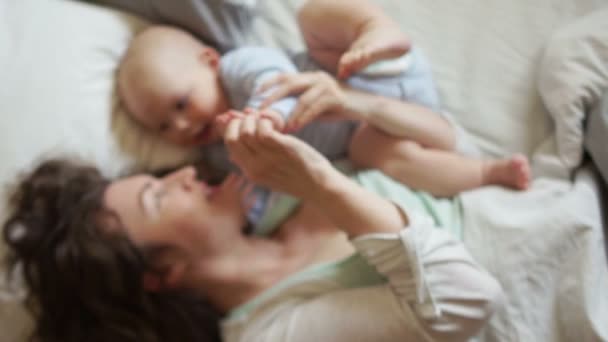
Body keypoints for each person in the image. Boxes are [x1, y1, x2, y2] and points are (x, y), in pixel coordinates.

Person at [2, 115, 504, 342]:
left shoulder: (278, 203)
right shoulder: (267, 330)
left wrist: (346, 103)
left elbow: (447, 151)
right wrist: (325, 184)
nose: (183, 173)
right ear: (164, 272)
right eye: (158, 196)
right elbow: (470, 301)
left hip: (537, 195)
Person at [117, 0, 531, 207]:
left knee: (313, 18)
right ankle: (486, 173)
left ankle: (375, 28)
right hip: (370, 130)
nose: (182, 127)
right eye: (164, 128)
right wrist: (249, 206)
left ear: (208, 61)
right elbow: (260, 186)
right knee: (389, 159)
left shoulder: (236, 67)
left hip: (362, 70)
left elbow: (273, 77)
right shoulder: (219, 151)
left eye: (181, 104)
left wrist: (266, 114)